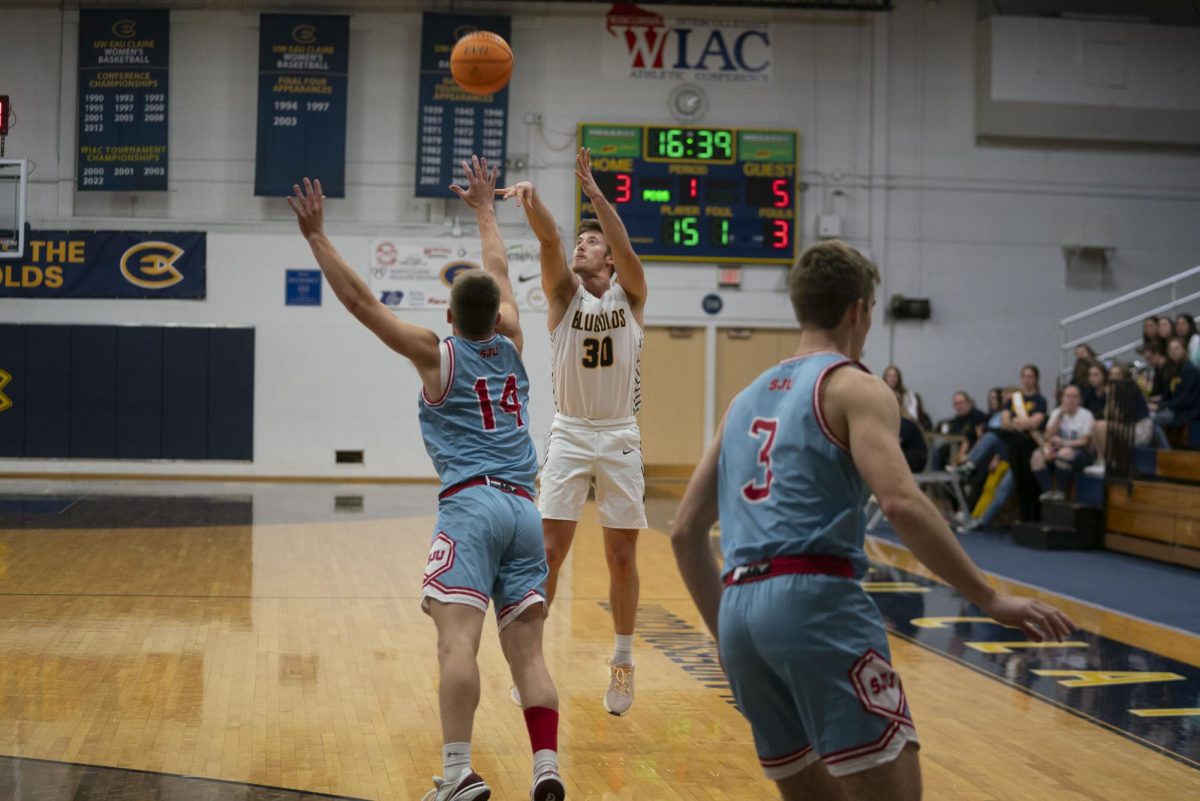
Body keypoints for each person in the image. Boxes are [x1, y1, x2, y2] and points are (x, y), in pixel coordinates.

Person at [669, 240, 1074, 801]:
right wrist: (988, 598)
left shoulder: (743, 401)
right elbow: (902, 503)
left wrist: (730, 636)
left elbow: (685, 531)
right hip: (815, 602)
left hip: (739, 612)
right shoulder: (855, 386)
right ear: (859, 310)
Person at [288, 161, 565, 801]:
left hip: (471, 507)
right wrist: (486, 212)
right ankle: (547, 771)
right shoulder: (516, 340)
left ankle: (459, 773)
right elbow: (496, 272)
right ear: (497, 315)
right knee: (529, 656)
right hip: (527, 507)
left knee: (457, 643)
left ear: (447, 312)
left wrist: (317, 237)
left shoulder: (437, 354)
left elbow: (360, 303)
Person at [502, 147, 648, 716]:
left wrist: (596, 195)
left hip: (619, 434)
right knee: (548, 554)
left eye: (593, 244)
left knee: (620, 558)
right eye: (582, 242)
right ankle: (531, 661)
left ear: (610, 260)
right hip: (568, 431)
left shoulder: (631, 295)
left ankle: (623, 662)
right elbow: (548, 242)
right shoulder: (563, 297)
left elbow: (627, 248)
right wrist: (533, 204)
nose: (583, 247)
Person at [1087, 363, 1154, 476]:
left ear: (1124, 376)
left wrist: (1112, 396)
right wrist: (1110, 396)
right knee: (1095, 425)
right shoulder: (1113, 390)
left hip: (1139, 427)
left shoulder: (1130, 389)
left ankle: (1108, 462)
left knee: (1102, 426)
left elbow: (1121, 416)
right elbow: (1107, 414)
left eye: (1117, 374)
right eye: (1112, 374)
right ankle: (1100, 461)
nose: (1114, 377)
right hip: (1124, 426)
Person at [1035, 384, 1094, 501]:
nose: (1071, 400)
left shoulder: (1086, 415)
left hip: (1080, 452)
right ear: (1062, 398)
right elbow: (1047, 436)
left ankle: (1060, 492)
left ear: (1080, 400)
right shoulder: (1057, 413)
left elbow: (1085, 441)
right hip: (1057, 448)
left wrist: (1064, 443)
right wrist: (1060, 416)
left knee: (1064, 453)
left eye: (1074, 396)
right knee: (1036, 455)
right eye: (1067, 396)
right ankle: (1047, 491)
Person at [931, 391, 987, 470]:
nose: (958, 407)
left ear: (969, 403)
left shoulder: (977, 416)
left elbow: (979, 439)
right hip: (957, 447)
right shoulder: (958, 419)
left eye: (961, 403)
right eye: (956, 404)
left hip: (973, 449)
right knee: (939, 450)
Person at [883, 365, 930, 430]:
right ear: (885, 378)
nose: (892, 379)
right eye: (889, 376)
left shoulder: (908, 395)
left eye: (895, 376)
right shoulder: (879, 394)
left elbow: (913, 417)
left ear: (899, 378)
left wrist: (901, 407)